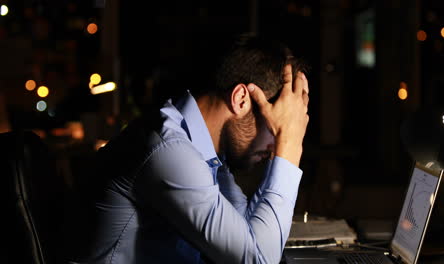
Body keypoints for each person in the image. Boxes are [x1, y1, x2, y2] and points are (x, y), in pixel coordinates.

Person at [69, 33, 310, 264]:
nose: (274, 146)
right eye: (276, 127)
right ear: (241, 100)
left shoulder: (202, 150)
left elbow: (248, 234)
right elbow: (257, 259)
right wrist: (289, 144)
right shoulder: (168, 149)